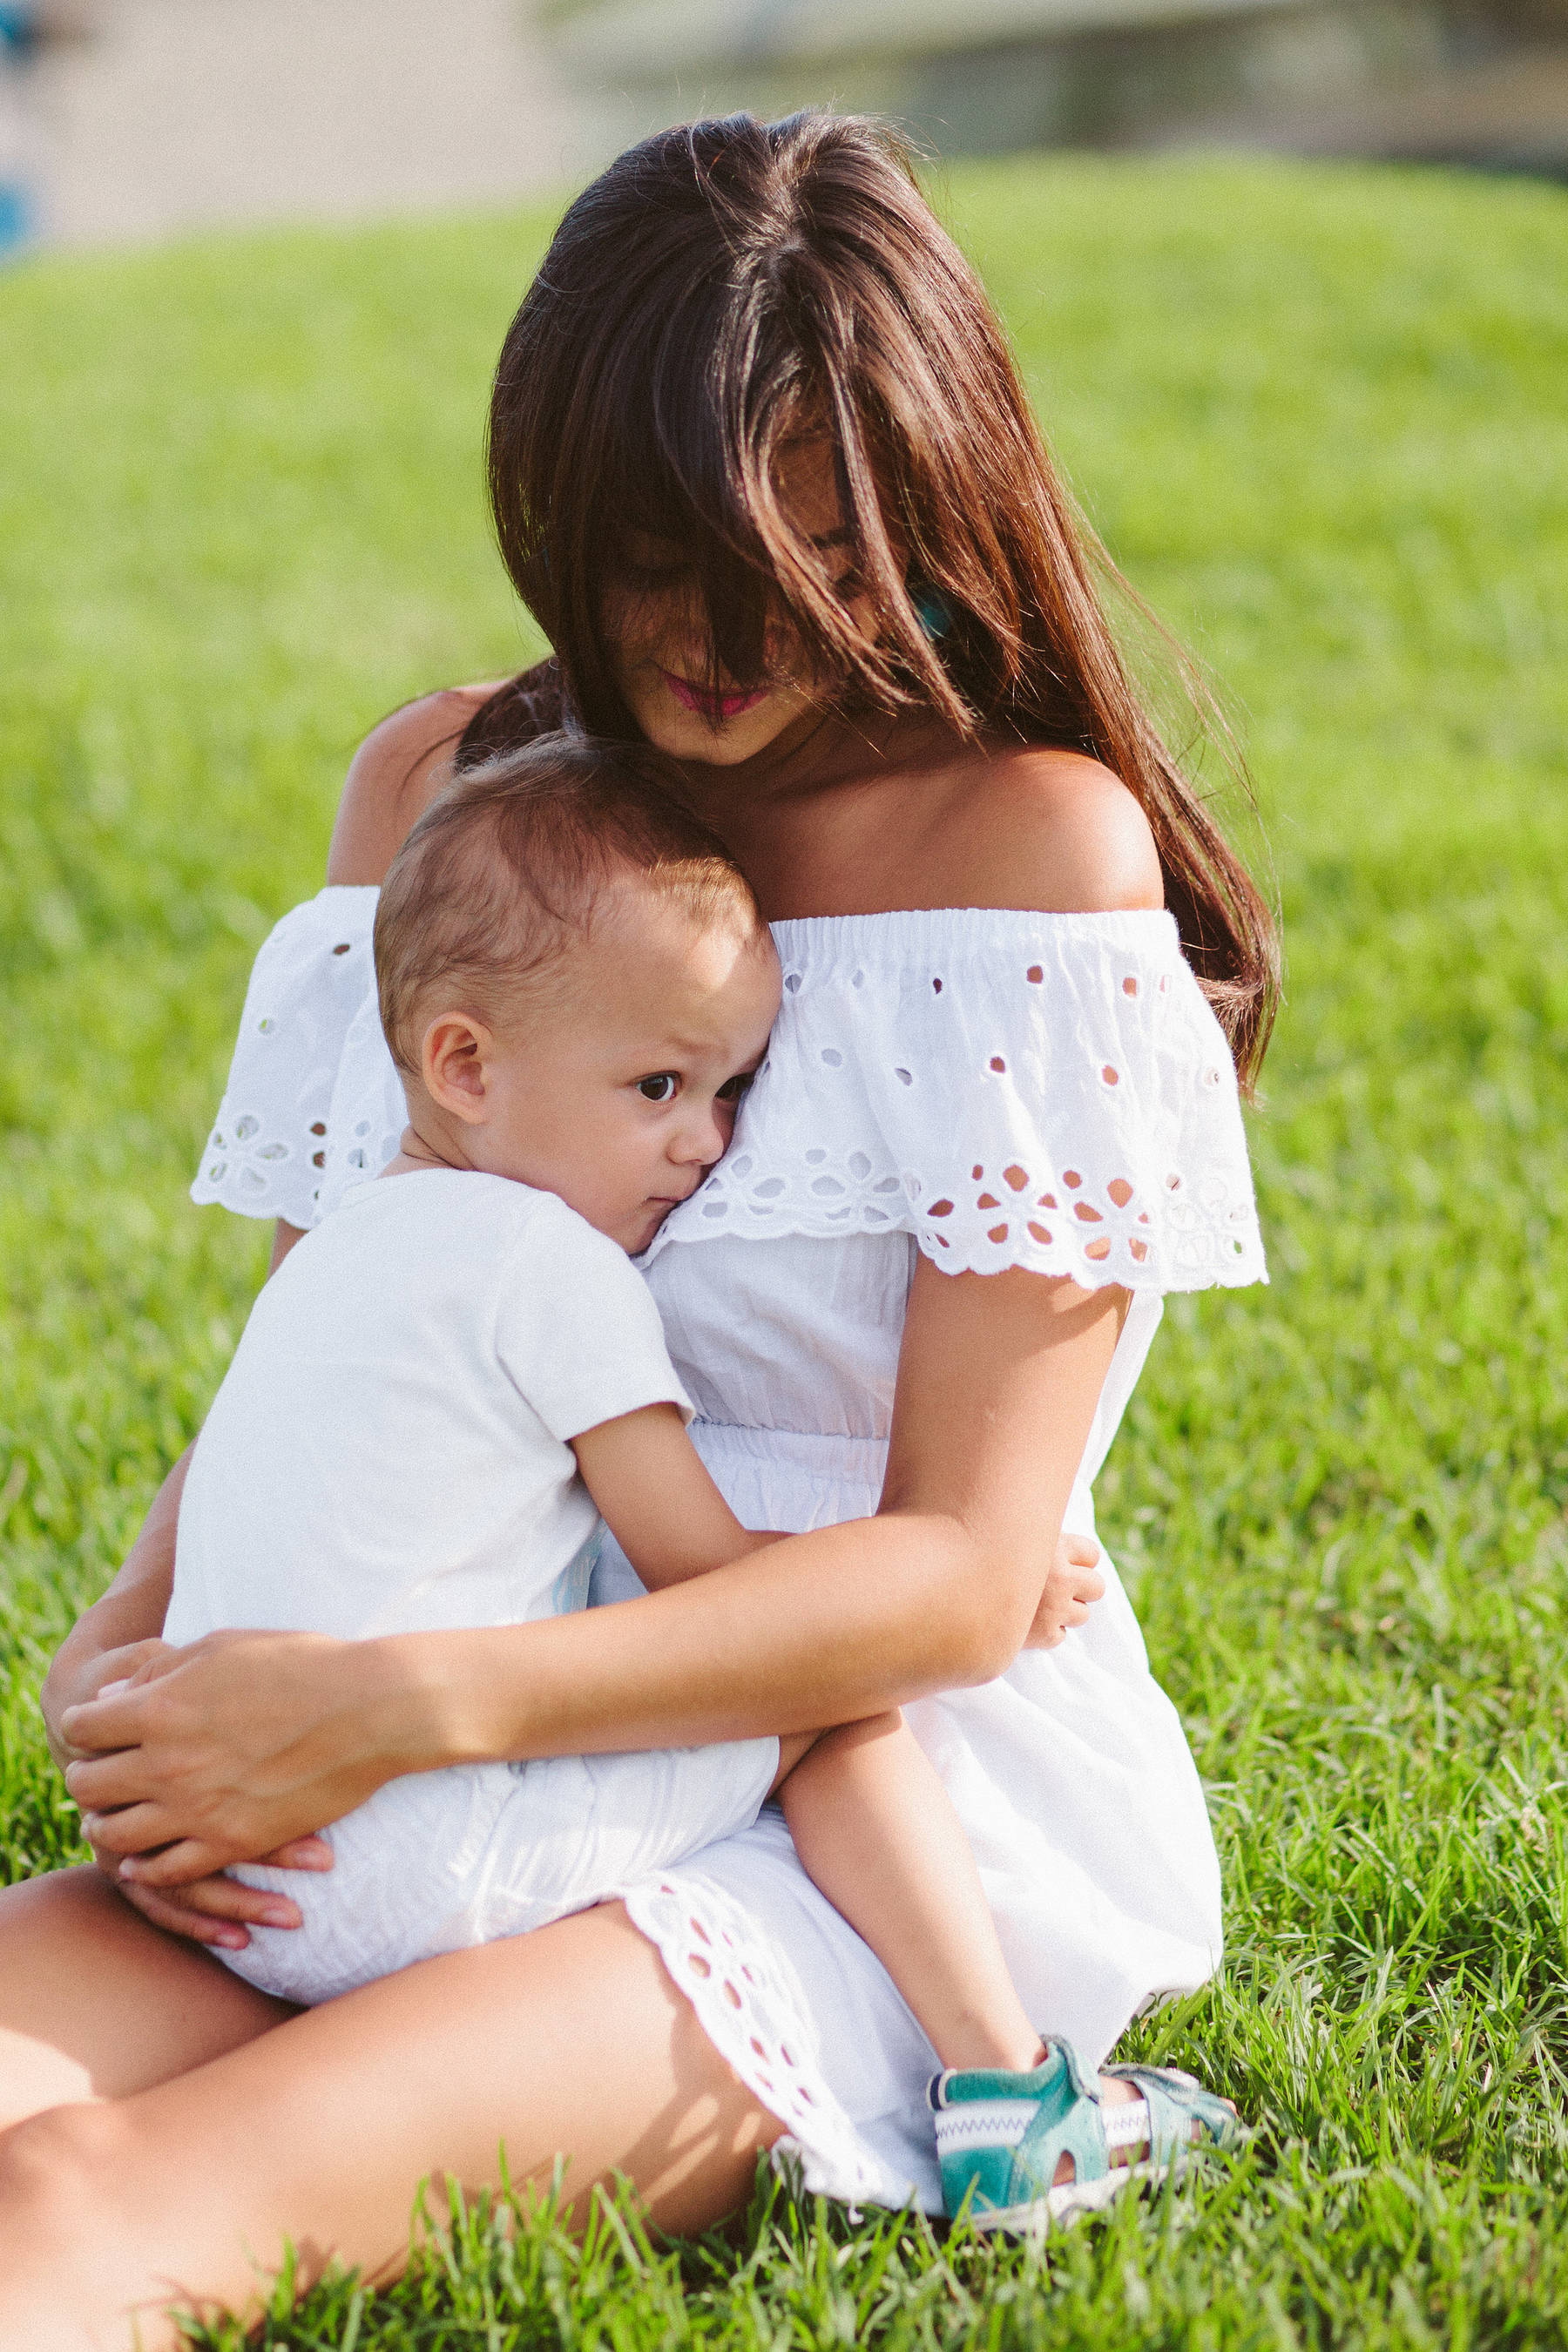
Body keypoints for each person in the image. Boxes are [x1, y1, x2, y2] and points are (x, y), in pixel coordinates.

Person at [0, 109, 1273, 2347]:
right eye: (663, 549)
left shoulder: (1024, 848)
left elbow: (961, 1583)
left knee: (81, 2214)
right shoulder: (444, 804)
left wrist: (394, 1705)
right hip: (395, 1706)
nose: (729, 631)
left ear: (931, 504)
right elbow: (345, 1333)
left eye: (821, 554)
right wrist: (141, 1637)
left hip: (843, 1786)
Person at [175, 731, 1109, 2212]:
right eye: (661, 1087)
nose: (705, 1147)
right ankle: (1014, 2090)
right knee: (824, 1702)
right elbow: (715, 1582)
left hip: (234, 1867)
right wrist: (993, 1580)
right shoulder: (552, 1268)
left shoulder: (343, 1246)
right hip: (415, 1862)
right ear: (464, 1064)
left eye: (730, 1091)